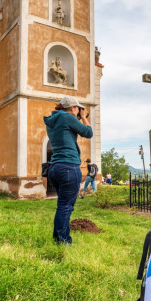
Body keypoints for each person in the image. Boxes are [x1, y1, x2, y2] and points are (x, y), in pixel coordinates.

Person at [44, 95, 92, 244]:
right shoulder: (67, 117)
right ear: (72, 108)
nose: (79, 111)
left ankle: (61, 237)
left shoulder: (53, 120)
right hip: (68, 167)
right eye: (78, 108)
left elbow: (67, 129)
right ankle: (62, 240)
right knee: (65, 206)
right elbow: (88, 132)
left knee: (62, 205)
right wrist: (84, 117)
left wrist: (78, 117)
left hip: (54, 168)